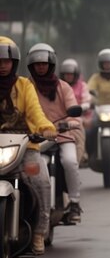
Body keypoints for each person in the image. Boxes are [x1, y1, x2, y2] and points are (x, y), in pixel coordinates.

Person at [0, 37, 57, 254]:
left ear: (13, 62)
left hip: (24, 148)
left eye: (6, 61)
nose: (2, 65)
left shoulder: (24, 85)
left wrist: (45, 128)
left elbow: (36, 112)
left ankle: (40, 232)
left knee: (41, 181)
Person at [27, 43, 83, 225]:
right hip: (37, 137)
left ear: (51, 64)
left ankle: (74, 203)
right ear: (31, 66)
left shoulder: (63, 87)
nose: (41, 67)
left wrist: (68, 123)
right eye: (37, 64)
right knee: (32, 169)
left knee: (70, 161)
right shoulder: (27, 87)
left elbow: (76, 116)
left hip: (62, 135)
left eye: (44, 63)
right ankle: (28, 203)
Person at [59, 58, 91, 163]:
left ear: (75, 75)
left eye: (71, 74)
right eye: (66, 74)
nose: (68, 76)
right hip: (60, 116)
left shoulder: (82, 85)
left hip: (79, 115)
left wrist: (81, 108)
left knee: (81, 125)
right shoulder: (58, 86)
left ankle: (82, 152)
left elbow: (86, 100)